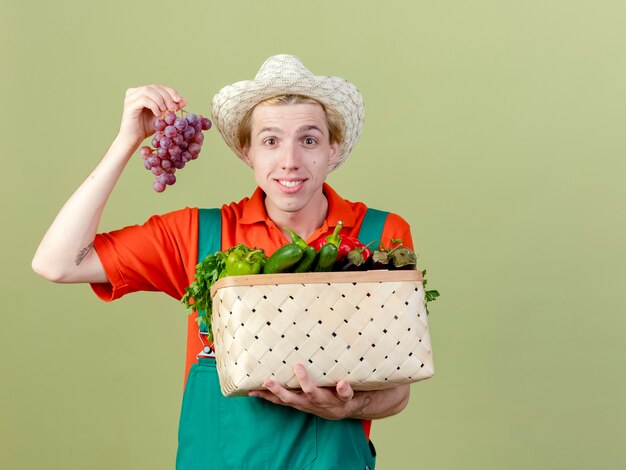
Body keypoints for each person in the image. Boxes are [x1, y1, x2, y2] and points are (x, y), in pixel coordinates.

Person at [32, 54, 415, 469]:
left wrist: (348, 407)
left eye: (308, 140)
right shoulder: (198, 236)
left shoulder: (380, 236)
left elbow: (398, 391)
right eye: (270, 141)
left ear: (332, 149)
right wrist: (126, 142)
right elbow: (58, 263)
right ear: (248, 151)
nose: (289, 160)